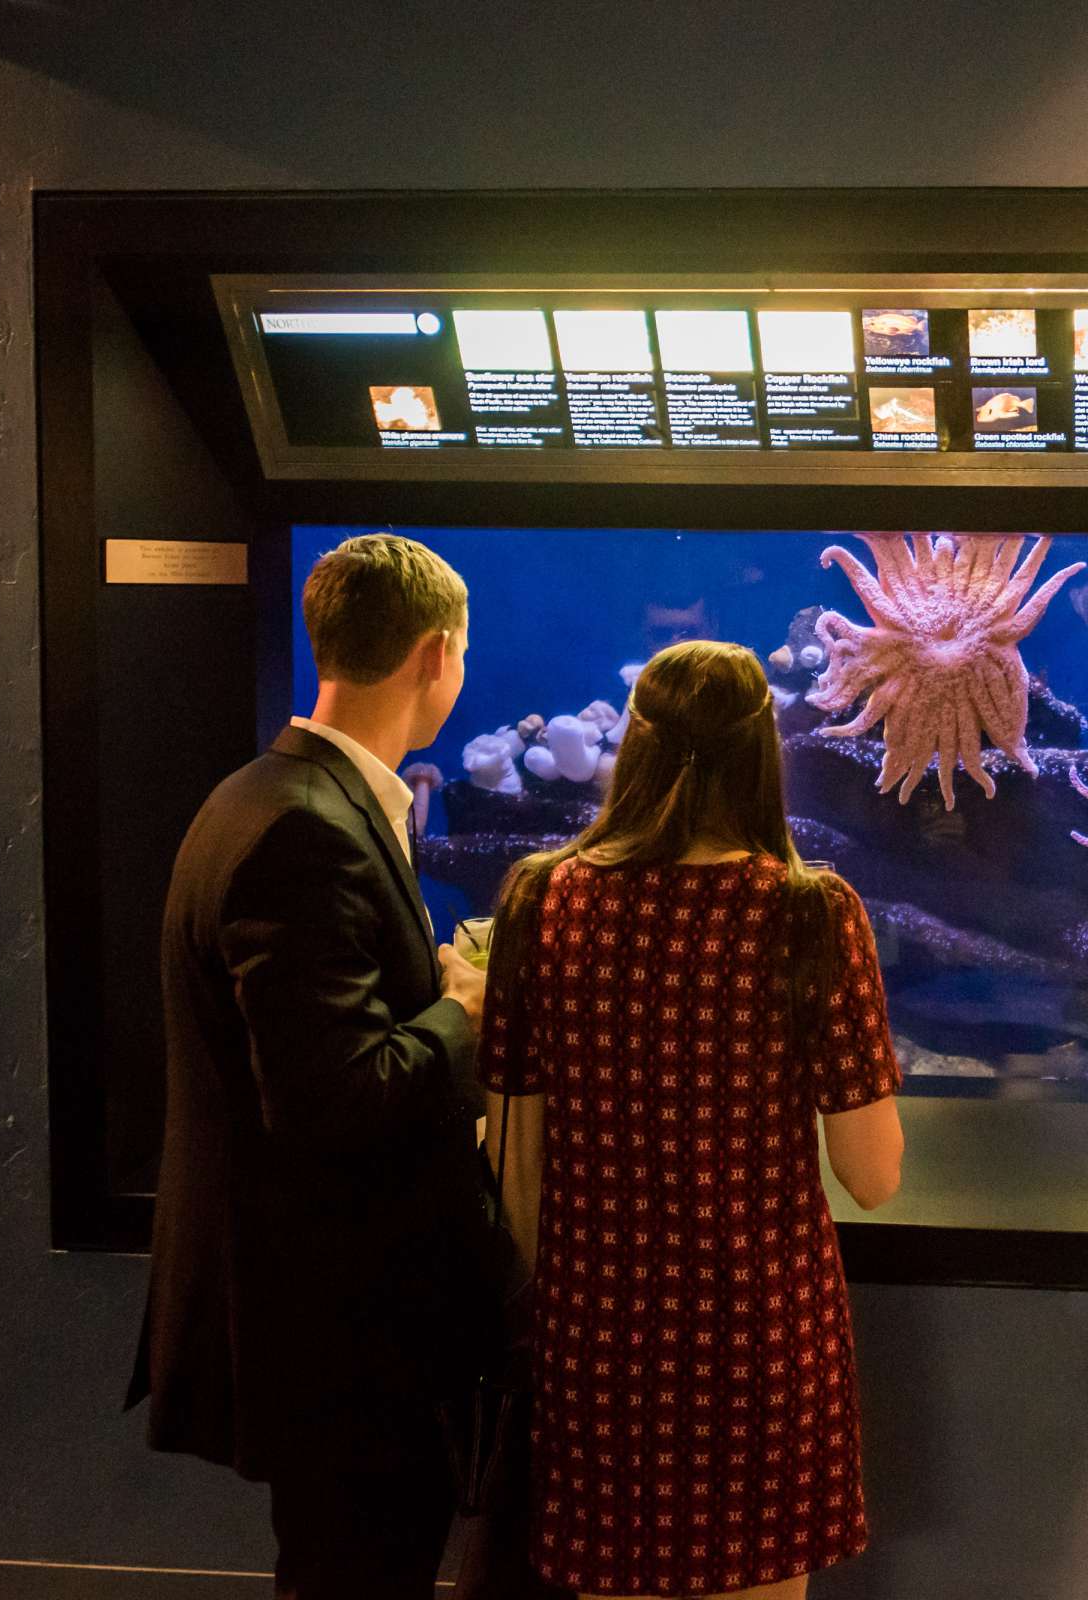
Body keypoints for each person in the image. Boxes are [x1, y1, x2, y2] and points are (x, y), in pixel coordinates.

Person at [478, 639, 906, 1600]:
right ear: (766, 749)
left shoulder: (542, 899)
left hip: (602, 1338)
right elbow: (873, 1177)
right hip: (762, 1340)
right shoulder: (810, 912)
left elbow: (516, 1165)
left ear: (632, 747)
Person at [129, 532, 497, 1598]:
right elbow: (334, 1095)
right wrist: (462, 1012)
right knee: (356, 1571)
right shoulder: (308, 828)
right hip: (340, 1330)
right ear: (436, 654)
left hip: (317, 1311)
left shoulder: (261, 792)